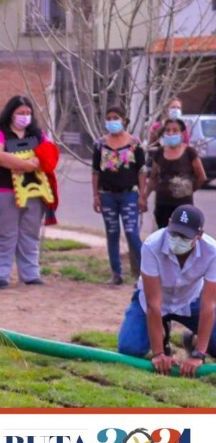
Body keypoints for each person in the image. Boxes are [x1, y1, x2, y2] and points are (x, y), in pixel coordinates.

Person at [118, 205, 216, 378]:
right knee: (129, 348)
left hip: (190, 301)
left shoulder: (212, 252)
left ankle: (192, 340)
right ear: (169, 223)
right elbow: (153, 303)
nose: (177, 239)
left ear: (199, 235)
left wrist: (199, 353)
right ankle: (161, 333)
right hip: (153, 302)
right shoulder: (151, 245)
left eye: (184, 236)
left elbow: (209, 305)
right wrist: (159, 353)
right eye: (174, 233)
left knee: (211, 342)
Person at [0, 95, 52, 288]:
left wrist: (36, 162)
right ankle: (0, 275)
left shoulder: (37, 133)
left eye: (28, 113)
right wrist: (25, 164)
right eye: (20, 113)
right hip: (4, 189)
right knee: (5, 233)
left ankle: (30, 274)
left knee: (30, 233)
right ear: (11, 113)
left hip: (33, 190)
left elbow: (48, 152)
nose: (25, 116)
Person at [91, 105, 147, 285]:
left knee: (132, 232)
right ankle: (116, 273)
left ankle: (144, 273)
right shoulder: (100, 144)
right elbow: (95, 171)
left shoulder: (135, 143)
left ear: (124, 120)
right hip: (107, 195)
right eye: (109, 118)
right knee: (112, 233)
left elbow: (142, 171)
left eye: (116, 117)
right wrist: (95, 195)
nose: (112, 121)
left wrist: (142, 195)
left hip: (129, 195)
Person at [140, 118, 207, 229]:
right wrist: (144, 197)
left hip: (183, 206)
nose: (171, 133)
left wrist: (188, 189)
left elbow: (201, 177)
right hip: (162, 205)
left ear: (182, 133)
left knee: (182, 237)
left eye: (175, 131)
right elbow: (153, 178)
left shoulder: (189, 152)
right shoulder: (159, 152)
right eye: (168, 130)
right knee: (164, 237)